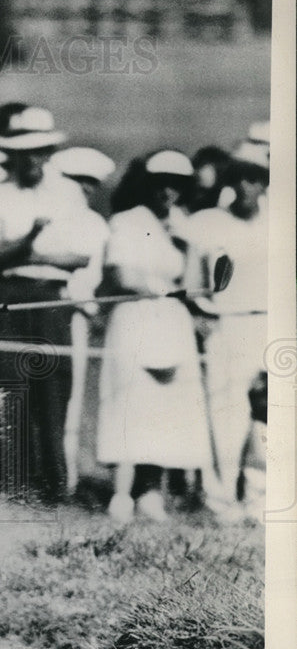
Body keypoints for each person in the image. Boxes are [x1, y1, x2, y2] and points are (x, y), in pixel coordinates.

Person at [0, 107, 89, 503]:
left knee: (53, 390)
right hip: (7, 299)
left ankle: (53, 488)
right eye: (24, 152)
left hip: (52, 301)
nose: (33, 159)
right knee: (9, 392)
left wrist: (31, 255)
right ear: (11, 155)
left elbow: (80, 256)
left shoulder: (68, 193)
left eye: (40, 151)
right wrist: (29, 240)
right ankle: (9, 488)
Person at [97, 150, 212, 524]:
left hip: (172, 323)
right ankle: (121, 494)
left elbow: (192, 289)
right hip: (134, 318)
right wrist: (159, 287)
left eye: (176, 185)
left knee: (167, 408)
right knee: (131, 401)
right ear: (147, 184)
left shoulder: (184, 225)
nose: (168, 192)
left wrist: (188, 246)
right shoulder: (128, 221)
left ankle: (150, 492)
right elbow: (121, 277)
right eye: (161, 183)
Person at [184, 140, 269, 510]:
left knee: (270, 413)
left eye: (258, 178)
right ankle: (220, 499)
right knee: (227, 413)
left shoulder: (281, 220)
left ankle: (258, 497)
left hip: (270, 325)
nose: (249, 186)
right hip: (227, 326)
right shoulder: (206, 224)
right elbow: (192, 283)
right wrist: (202, 313)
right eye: (242, 178)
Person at [46, 147, 114, 492]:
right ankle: (51, 474)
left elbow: (93, 277)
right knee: (47, 395)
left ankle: (69, 479)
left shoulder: (95, 224)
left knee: (72, 396)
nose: (82, 190)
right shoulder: (49, 215)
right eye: (76, 181)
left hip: (77, 316)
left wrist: (88, 307)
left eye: (90, 184)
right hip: (46, 310)